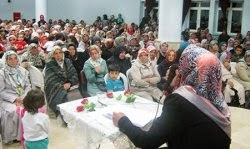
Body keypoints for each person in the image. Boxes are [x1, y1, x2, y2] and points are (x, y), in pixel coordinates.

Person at [113, 44, 231, 149]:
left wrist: (122, 121)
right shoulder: (218, 99)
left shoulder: (181, 101)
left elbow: (147, 142)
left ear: (187, 68)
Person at [0, 51, 31, 144]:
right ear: (6, 60)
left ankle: (28, 134)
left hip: (23, 97)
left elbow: (28, 86)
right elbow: (1, 91)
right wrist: (15, 99)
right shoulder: (2, 73)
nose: (13, 61)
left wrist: (23, 98)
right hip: (7, 100)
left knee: (33, 108)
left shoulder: (23, 70)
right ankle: (14, 137)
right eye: (10, 59)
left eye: (15, 58)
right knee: (15, 111)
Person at [44, 46, 81, 116]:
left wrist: (69, 83)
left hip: (69, 85)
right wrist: (61, 86)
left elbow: (74, 74)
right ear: (53, 55)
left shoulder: (67, 61)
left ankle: (76, 115)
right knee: (63, 97)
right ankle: (65, 115)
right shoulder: (50, 65)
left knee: (77, 95)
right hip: (57, 87)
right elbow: (49, 81)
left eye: (60, 53)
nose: (58, 55)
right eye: (56, 53)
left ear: (62, 53)